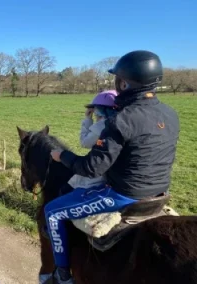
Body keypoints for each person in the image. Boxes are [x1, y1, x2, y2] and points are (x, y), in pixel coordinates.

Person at [44, 50, 180, 284]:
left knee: (53, 213)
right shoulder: (170, 113)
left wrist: (61, 155)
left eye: (117, 79)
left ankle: (63, 274)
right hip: (159, 194)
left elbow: (91, 168)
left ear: (124, 82)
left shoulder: (122, 119)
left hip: (123, 196)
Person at [67, 90, 118, 191]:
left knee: (66, 189)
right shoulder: (120, 121)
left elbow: (85, 142)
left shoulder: (103, 125)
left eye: (95, 109)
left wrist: (87, 119)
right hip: (116, 171)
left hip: (101, 173)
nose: (94, 111)